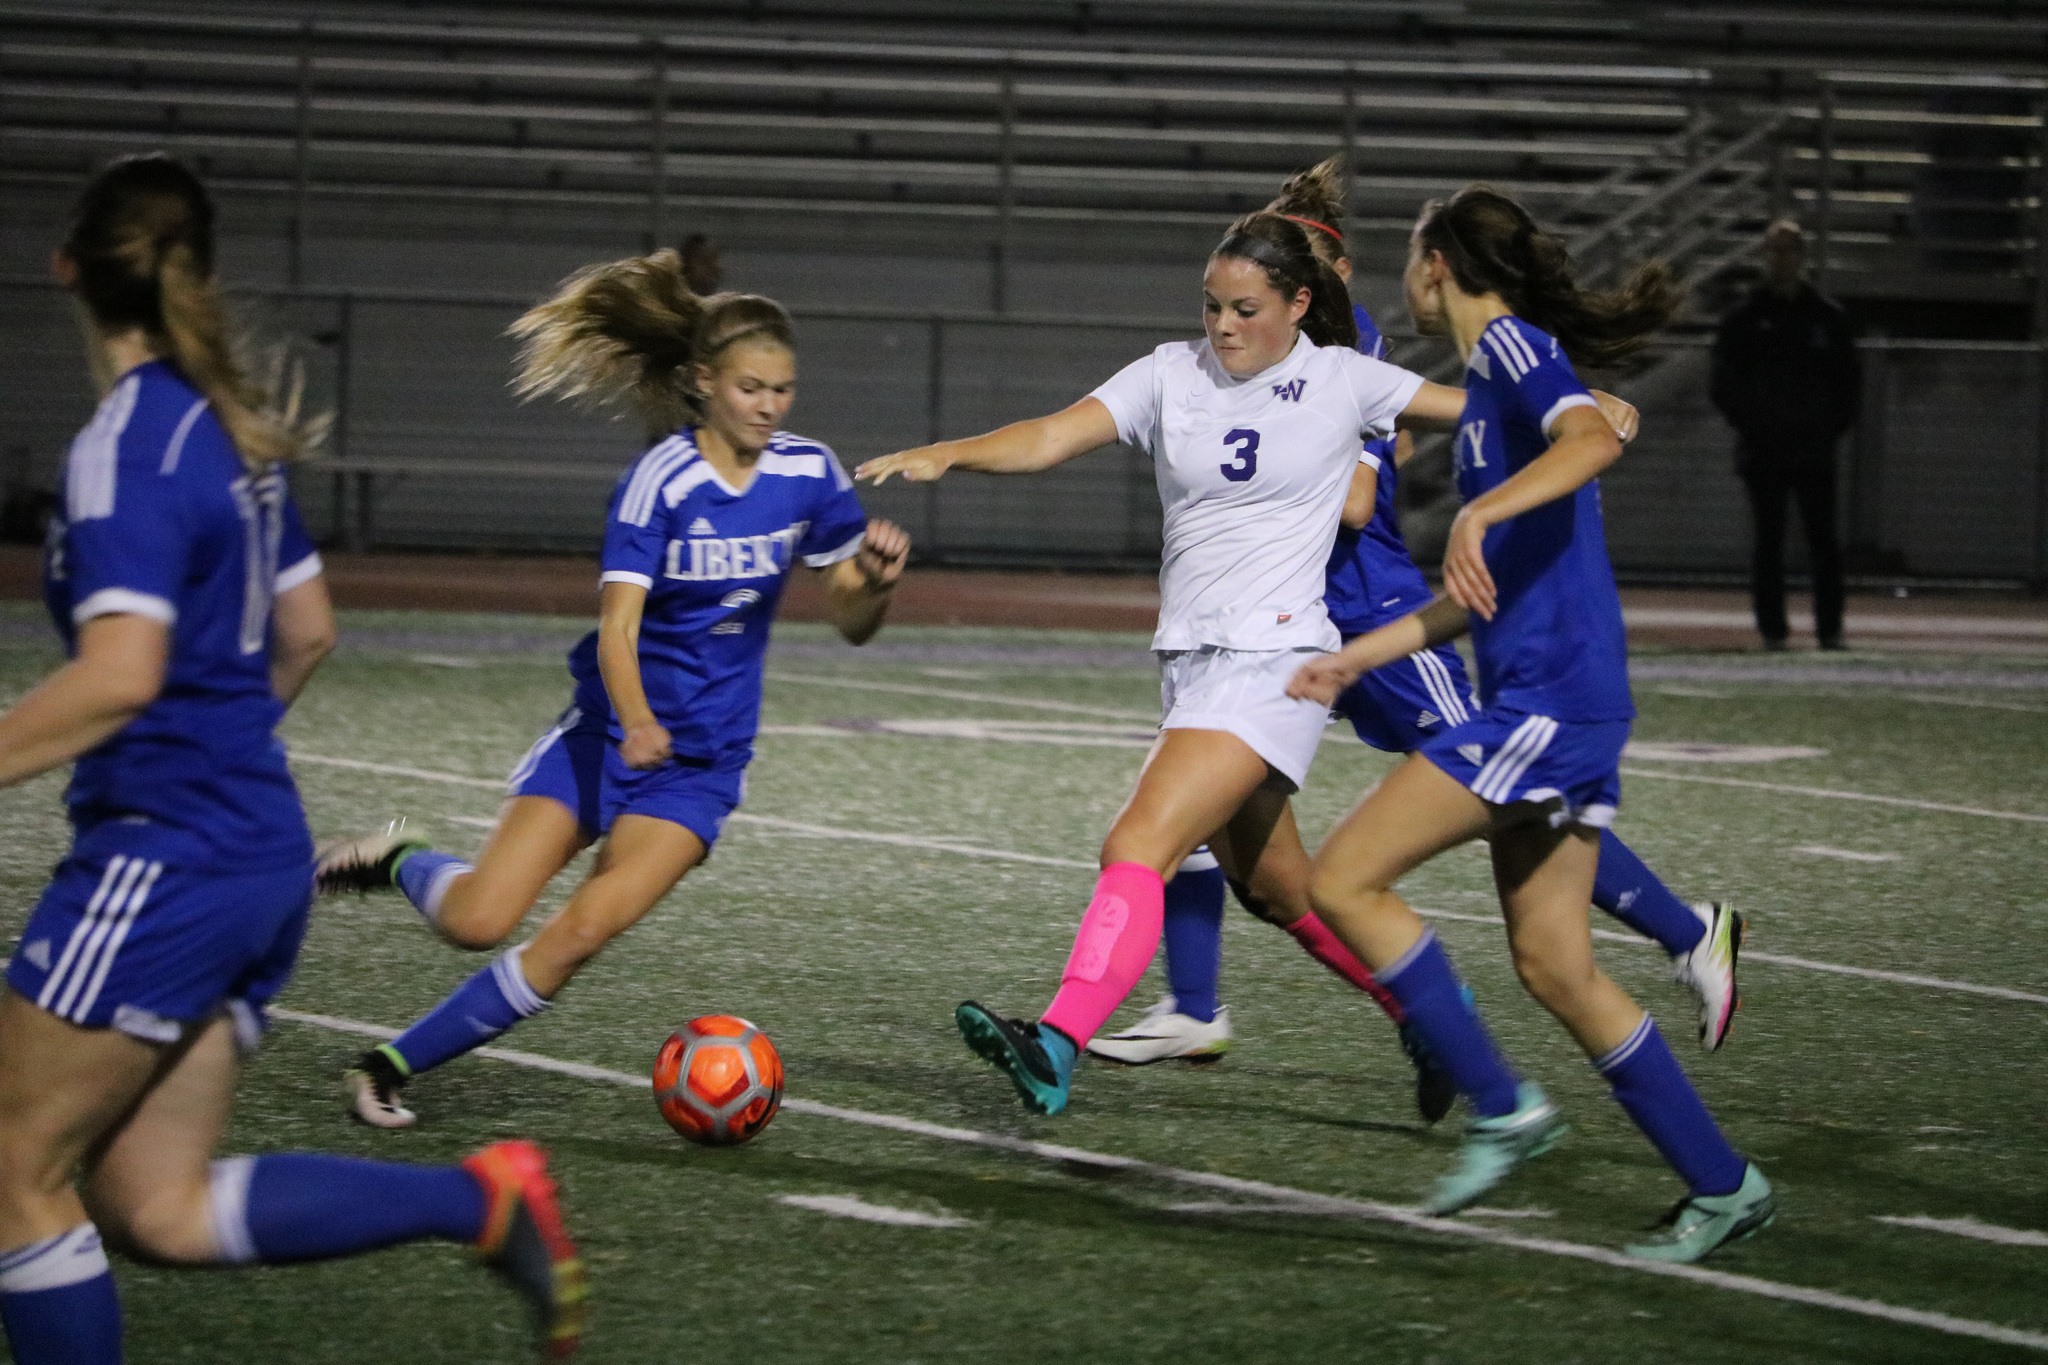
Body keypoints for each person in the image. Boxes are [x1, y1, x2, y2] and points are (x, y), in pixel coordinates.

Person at [0, 154, 583, 1364]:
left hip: (167, 863)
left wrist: (177, 774)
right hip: (257, 855)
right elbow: (309, 632)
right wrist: (216, 757)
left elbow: (118, 672)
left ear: (66, 270)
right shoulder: (233, 435)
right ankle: (477, 1200)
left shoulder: (124, 444)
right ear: (195, 276)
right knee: (155, 1208)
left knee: (12, 1171)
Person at [860, 210, 1568, 1120]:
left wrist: (1583, 411)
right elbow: (1049, 436)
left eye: (1245, 308)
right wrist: (950, 453)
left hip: (1272, 658)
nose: (1224, 326)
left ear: (1299, 304)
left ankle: (1056, 1039)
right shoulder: (1170, 373)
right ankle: (1431, 1015)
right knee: (1280, 890)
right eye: (1211, 307)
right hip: (1193, 665)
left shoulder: (1343, 378)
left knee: (1138, 844)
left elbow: (1484, 408)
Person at [1092, 160, 1741, 1084]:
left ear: (1311, 282)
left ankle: (1684, 931)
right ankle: (1195, 1005)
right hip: (1276, 621)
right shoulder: (1261, 352)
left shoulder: (1345, 349)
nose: (1240, 301)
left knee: (1509, 784)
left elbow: (1360, 494)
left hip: (1369, 604)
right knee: (1193, 813)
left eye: (1266, 277)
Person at [1288, 185, 1774, 1264]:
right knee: (1556, 968)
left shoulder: (1509, 348)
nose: (1404, 278)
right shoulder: (1482, 402)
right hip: (1553, 702)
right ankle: (1724, 1185)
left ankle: (1502, 1108)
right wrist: (1352, 659)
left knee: (1340, 881)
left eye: (1411, 257)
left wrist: (1479, 508)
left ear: (1436, 266)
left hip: (1548, 707)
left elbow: (1592, 434)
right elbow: (1472, 595)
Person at [315, 253, 909, 1128]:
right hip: (604, 735)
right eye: (751, 387)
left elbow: (851, 621)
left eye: (782, 390)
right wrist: (633, 720)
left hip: (700, 765)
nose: (769, 407)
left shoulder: (809, 474)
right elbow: (619, 629)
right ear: (705, 382)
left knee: (581, 933)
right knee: (479, 919)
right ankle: (400, 856)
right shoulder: (657, 483)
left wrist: (876, 580)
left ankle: (387, 1064)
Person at [1710, 218, 1857, 651]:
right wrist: (1755, 426)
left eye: (1790, 249)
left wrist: (1826, 429)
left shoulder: (1827, 318)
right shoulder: (1744, 318)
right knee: (1768, 541)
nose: (1782, 258)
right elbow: (1723, 384)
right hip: (1764, 450)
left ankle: (1830, 628)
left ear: (1803, 256)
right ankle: (1773, 630)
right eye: (1775, 250)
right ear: (1764, 256)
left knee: (1823, 541)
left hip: (1813, 449)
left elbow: (1848, 384)